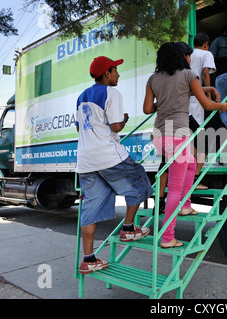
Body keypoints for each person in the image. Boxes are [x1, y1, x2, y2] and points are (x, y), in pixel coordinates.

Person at [143, 42, 227, 248]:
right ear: (181, 57)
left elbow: (147, 108)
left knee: (191, 163)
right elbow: (207, 105)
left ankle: (187, 205)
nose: (190, 58)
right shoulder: (189, 75)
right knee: (174, 189)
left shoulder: (153, 79)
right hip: (178, 135)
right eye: (187, 56)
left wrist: (163, 101)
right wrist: (222, 106)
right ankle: (167, 238)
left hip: (160, 135)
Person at [76, 56, 153, 274]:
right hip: (108, 155)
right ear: (106, 73)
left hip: (86, 160)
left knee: (90, 207)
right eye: (115, 70)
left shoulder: (81, 97)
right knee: (139, 180)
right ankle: (128, 228)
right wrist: (124, 119)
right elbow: (117, 126)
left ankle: (89, 259)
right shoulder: (112, 92)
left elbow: (80, 128)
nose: (118, 74)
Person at [188, 33, 217, 189]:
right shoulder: (206, 53)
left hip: (185, 99)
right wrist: (208, 94)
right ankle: (194, 178)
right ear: (206, 44)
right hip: (197, 99)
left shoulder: (187, 54)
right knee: (200, 141)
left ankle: (189, 176)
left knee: (190, 139)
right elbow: (205, 72)